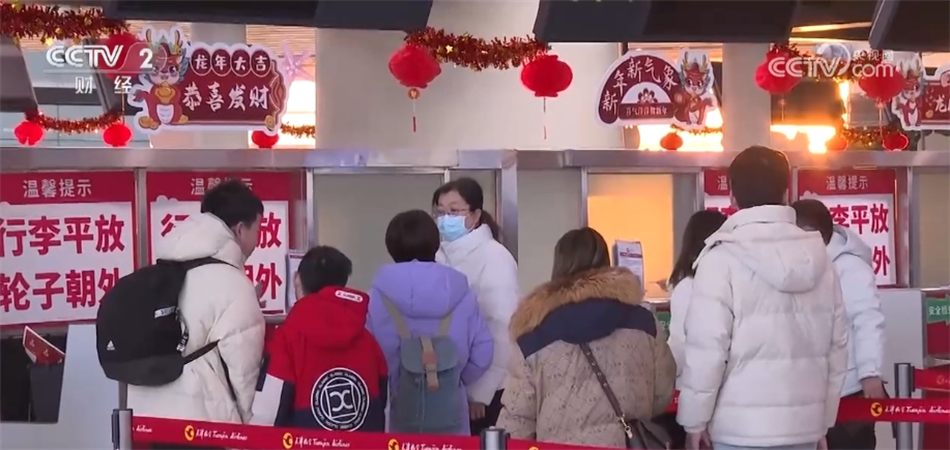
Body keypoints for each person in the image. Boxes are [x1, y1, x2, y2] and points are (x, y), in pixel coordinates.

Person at [676, 146, 849, 450]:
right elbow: (837, 347)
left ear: (732, 196)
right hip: (803, 430)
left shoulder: (720, 259)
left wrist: (694, 422)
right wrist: (822, 422)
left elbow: (707, 351)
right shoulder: (819, 258)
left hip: (738, 431)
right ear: (786, 193)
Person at [497, 227, 676, 448]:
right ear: (606, 262)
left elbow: (518, 418)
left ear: (559, 266)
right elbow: (662, 394)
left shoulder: (534, 334)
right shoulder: (644, 322)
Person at [129, 179, 266, 447]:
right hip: (204, 427)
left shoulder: (163, 269)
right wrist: (248, 431)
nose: (258, 240)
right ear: (240, 229)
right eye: (257, 229)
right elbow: (244, 373)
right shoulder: (234, 284)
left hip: (151, 421)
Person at [366, 210, 493, 435]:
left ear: (391, 247)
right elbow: (483, 351)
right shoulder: (462, 292)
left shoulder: (376, 297)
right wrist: (451, 378)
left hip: (396, 417)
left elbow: (366, 358)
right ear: (435, 244)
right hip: (451, 417)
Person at [251, 246, 388, 432]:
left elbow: (269, 414)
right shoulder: (368, 341)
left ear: (297, 280)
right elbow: (381, 403)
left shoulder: (287, 339)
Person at [792, 199, 886, 450]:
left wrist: (870, 373)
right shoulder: (800, 265)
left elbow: (867, 319)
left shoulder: (849, 266)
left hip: (849, 387)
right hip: (811, 392)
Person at [432, 178, 520, 434]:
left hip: (486, 391)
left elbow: (502, 328)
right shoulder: (438, 254)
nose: (445, 219)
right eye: (440, 212)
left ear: (475, 215)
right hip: (447, 384)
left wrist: (480, 393)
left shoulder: (495, 256)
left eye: (454, 211)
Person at [656, 209, 727, 449]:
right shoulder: (732, 282)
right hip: (729, 401)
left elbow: (684, 349)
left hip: (695, 398)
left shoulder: (688, 286)